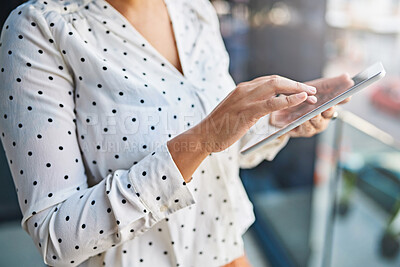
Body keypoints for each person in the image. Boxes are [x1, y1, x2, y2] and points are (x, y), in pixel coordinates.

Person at [0, 0, 353, 266]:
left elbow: (221, 155)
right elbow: (57, 237)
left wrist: (278, 120)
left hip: (231, 254)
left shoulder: (194, 9)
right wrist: (203, 138)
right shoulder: (39, 28)